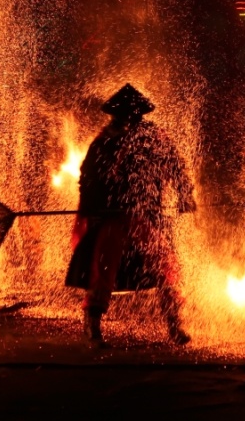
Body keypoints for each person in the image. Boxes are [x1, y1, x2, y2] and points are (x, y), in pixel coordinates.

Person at [64, 84, 197, 347]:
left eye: (132, 114)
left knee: (163, 263)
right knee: (103, 268)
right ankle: (93, 325)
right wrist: (93, 207)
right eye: (124, 114)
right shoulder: (103, 142)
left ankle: (174, 323)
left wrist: (184, 195)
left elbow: (175, 166)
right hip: (111, 217)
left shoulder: (155, 138)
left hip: (144, 217)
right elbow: (88, 178)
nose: (128, 118)